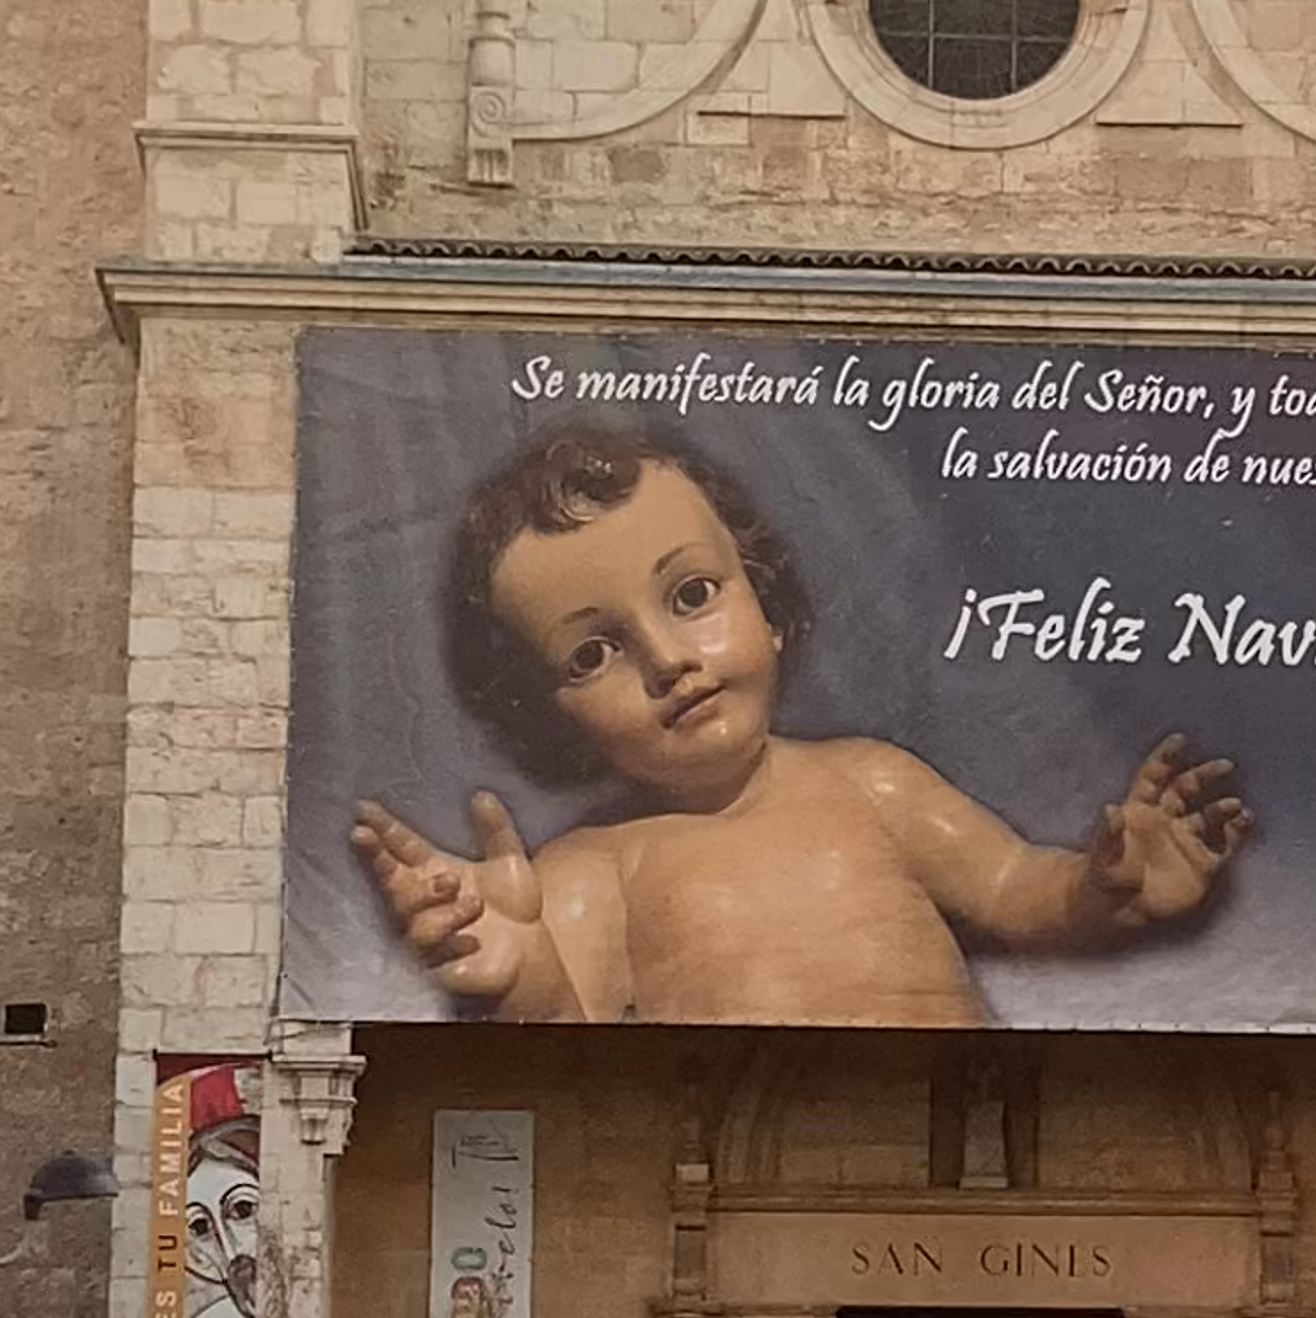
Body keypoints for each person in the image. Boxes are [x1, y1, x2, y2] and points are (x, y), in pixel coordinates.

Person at [351, 431, 1247, 1030]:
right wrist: (520, 967)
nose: (668, 659)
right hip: (748, 1175)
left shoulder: (871, 781)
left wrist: (1103, 888)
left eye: (693, 594)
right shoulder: (596, 868)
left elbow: (1016, 887)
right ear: (554, 719)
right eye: (593, 653)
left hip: (967, 1150)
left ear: (768, 602)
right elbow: (571, 1034)